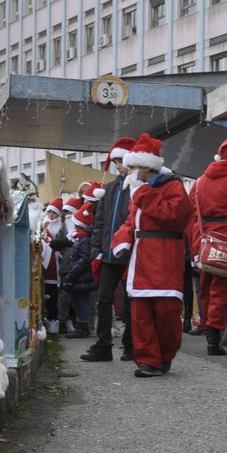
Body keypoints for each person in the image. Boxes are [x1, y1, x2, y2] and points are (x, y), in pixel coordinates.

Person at [109, 134, 189, 377]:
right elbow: (130, 222)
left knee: (166, 311)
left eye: (132, 167)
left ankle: (165, 355)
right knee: (141, 312)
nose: (128, 172)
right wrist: (121, 240)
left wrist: (143, 194)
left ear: (146, 167)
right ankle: (148, 360)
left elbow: (176, 216)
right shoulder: (138, 191)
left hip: (165, 256)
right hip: (141, 257)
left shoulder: (171, 186)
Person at [187, 139, 227, 356]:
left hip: (204, 241)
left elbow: (191, 217)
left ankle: (207, 326)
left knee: (205, 289)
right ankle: (214, 336)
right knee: (221, 291)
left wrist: (194, 246)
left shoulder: (200, 182)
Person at [82, 137, 137, 363]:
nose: (118, 167)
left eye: (121, 161)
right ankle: (104, 345)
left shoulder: (136, 188)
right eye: (115, 163)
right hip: (108, 254)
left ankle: (130, 345)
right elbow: (100, 224)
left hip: (130, 253)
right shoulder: (109, 189)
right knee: (104, 299)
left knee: (129, 301)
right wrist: (97, 250)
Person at [58, 182, 102, 338]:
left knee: (84, 301)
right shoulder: (80, 239)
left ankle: (83, 326)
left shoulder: (84, 241)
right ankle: (81, 325)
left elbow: (83, 260)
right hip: (79, 276)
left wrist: (72, 275)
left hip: (82, 276)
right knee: (77, 301)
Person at [39, 197, 72, 334]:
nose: (51, 215)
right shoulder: (43, 225)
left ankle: (67, 321)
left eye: (54, 213)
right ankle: (52, 320)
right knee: (51, 293)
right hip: (48, 265)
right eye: (49, 212)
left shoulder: (64, 226)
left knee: (64, 295)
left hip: (62, 263)